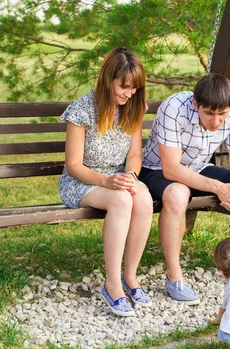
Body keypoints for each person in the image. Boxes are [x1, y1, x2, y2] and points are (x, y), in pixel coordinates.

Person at [139, 73, 230, 304]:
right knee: (178, 193)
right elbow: (171, 169)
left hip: (198, 168)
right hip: (155, 170)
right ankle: (174, 276)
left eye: (222, 115)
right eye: (209, 114)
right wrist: (218, 188)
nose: (216, 122)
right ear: (196, 104)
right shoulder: (174, 108)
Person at [59, 48, 153, 317]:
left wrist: (131, 177)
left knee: (143, 198)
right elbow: (74, 165)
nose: (129, 94)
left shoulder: (133, 107)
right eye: (124, 86)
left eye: (134, 88)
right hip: (83, 181)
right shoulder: (82, 110)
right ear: (108, 79)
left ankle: (130, 277)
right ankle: (112, 284)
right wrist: (107, 181)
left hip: (118, 177)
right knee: (123, 199)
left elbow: (135, 155)